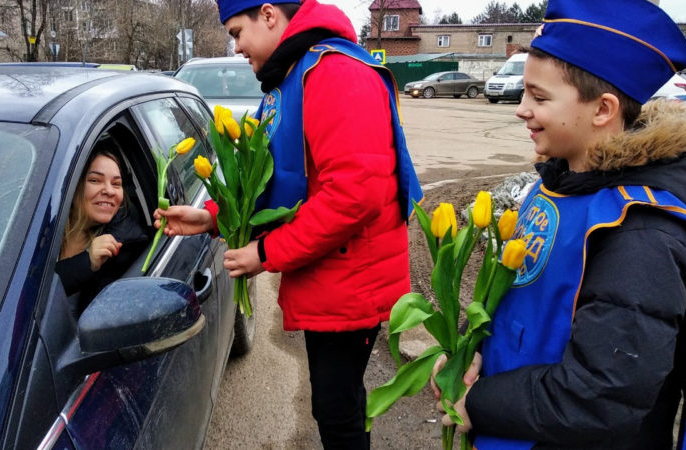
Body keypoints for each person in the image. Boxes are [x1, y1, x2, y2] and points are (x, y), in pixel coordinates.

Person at [154, 0, 422, 447]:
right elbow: (268, 182)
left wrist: (264, 252)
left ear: (269, 14)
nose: (236, 47)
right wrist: (211, 218)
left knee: (338, 413)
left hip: (352, 282)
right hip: (333, 276)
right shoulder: (294, 75)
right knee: (338, 406)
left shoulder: (335, 73)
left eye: (237, 32)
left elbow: (353, 195)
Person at [432, 1, 686, 449]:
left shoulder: (642, 233)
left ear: (602, 110)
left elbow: (602, 396)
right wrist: (471, 356)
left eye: (539, 97)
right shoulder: (560, 183)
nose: (521, 109)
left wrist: (480, 403)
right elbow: (524, 306)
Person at [56, 143, 149, 314]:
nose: (109, 190)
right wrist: (85, 263)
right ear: (72, 186)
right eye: (94, 180)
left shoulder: (125, 248)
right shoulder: (40, 233)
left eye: (116, 184)